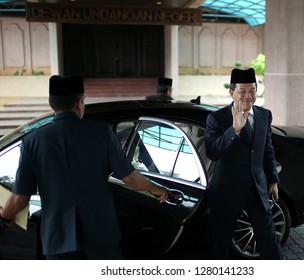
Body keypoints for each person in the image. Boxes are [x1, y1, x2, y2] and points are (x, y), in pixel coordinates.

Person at [0, 75, 169, 260]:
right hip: (101, 236)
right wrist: (159, 189)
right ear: (79, 103)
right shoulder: (102, 133)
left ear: (51, 104)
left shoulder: (32, 141)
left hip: (58, 240)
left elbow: (20, 197)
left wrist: (5, 217)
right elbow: (130, 179)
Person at [204, 68, 283, 260]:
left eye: (252, 91)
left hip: (257, 189)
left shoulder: (264, 115)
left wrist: (272, 180)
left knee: (270, 243)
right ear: (231, 93)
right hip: (227, 191)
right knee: (220, 246)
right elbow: (212, 152)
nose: (248, 96)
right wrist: (234, 130)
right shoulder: (217, 118)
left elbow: (267, 150)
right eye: (242, 91)